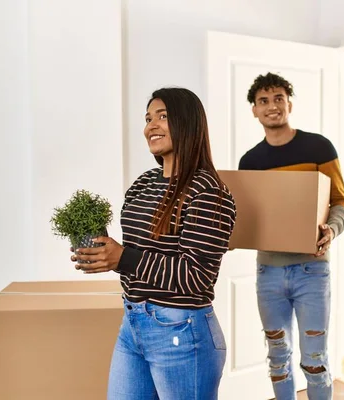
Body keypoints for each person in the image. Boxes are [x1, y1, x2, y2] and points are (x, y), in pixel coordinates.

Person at [71, 87, 237, 400]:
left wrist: (122, 258)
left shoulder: (208, 190)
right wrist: (102, 253)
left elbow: (196, 276)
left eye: (163, 116)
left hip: (181, 331)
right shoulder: (143, 183)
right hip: (133, 322)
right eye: (148, 118)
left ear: (188, 124)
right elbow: (137, 250)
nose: (151, 126)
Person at [238, 72, 344, 400]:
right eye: (263, 101)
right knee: (277, 357)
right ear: (254, 110)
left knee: (315, 359)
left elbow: (340, 201)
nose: (272, 106)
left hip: (311, 271)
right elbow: (248, 215)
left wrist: (333, 229)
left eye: (278, 98)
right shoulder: (250, 161)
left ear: (289, 103)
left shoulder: (318, 147)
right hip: (268, 273)